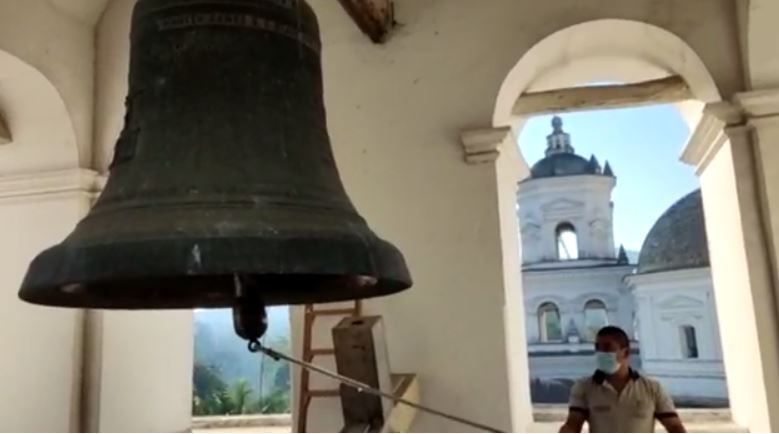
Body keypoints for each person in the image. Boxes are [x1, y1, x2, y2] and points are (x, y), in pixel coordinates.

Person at [559, 326, 686, 433]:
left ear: (626, 352)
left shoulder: (652, 388)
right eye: (597, 348)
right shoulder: (584, 387)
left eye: (607, 348)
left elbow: (674, 426)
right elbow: (573, 425)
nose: (601, 353)